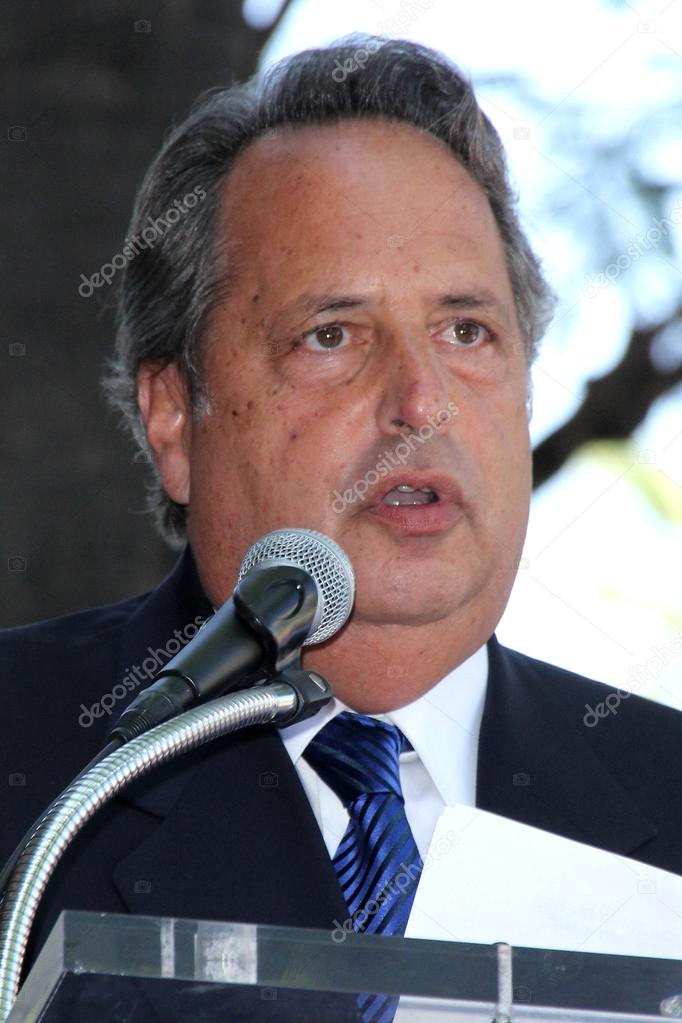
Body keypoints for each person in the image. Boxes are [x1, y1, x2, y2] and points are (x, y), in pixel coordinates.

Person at [3, 34, 682, 1011]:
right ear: (174, 418)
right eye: (331, 335)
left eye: (466, 331)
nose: (423, 403)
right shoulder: (34, 762)